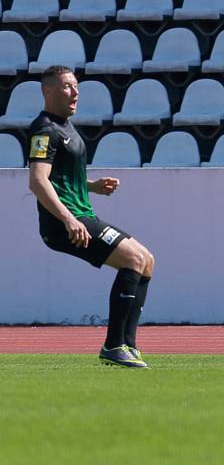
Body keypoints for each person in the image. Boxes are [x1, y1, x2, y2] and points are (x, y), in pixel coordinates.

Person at [27, 66, 155, 368]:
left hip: (81, 214)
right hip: (67, 223)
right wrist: (69, 220)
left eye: (76, 86)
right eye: (68, 86)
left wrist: (92, 186)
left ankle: (128, 345)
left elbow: (60, 177)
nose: (76, 92)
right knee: (133, 261)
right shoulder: (45, 129)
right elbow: (37, 180)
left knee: (147, 261)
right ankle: (113, 346)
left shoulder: (65, 127)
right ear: (48, 92)